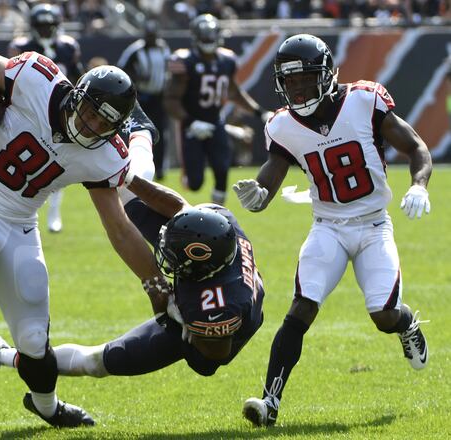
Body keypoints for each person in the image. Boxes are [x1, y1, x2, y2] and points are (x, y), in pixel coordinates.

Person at [0, 50, 172, 439]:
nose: (93, 123)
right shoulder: (36, 78)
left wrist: (155, 282)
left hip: (20, 226)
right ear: (78, 94)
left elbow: (119, 227)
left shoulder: (103, 154)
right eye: (92, 111)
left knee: (33, 340)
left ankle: (47, 407)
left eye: (105, 122)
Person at [232, 34, 431, 427]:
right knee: (301, 308)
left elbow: (416, 147)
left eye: (305, 79)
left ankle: (406, 323)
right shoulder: (283, 125)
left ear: (325, 75)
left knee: (383, 314)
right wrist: (259, 194)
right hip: (328, 227)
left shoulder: (363, 100)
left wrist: (419, 184)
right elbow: (271, 175)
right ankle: (270, 401)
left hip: (374, 225)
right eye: (290, 82)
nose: (298, 88)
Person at [0, 200, 265, 391]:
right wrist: (129, 178)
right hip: (211, 305)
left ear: (202, 263)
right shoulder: (220, 225)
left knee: (95, 363)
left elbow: (210, 358)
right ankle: (0, 353)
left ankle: (1, 354)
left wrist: (169, 313)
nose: (165, 257)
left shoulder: (216, 307)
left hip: (206, 344)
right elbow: (178, 205)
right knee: (137, 207)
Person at [165, 13, 270, 205]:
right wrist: (190, 122)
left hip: (215, 121)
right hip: (191, 125)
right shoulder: (185, 61)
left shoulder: (226, 61)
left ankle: (218, 213)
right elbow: (171, 100)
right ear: (196, 38)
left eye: (210, 36)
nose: (208, 40)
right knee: (195, 183)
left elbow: (234, 93)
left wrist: (259, 112)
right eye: (204, 37)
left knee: (222, 169)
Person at [8, 3, 84, 233]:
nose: (45, 31)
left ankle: (53, 211)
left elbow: (78, 78)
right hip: (29, 111)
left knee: (57, 162)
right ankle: (19, 211)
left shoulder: (67, 47)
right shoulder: (22, 47)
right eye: (41, 26)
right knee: (23, 161)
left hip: (58, 114)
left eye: (49, 26)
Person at [117, 19, 171, 180]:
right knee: (139, 132)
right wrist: (137, 77)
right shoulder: (135, 50)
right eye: (149, 36)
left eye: (153, 36)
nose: (151, 39)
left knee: (160, 133)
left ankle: (160, 168)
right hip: (143, 98)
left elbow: (168, 68)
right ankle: (132, 166)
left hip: (159, 97)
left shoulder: (163, 48)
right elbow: (122, 72)